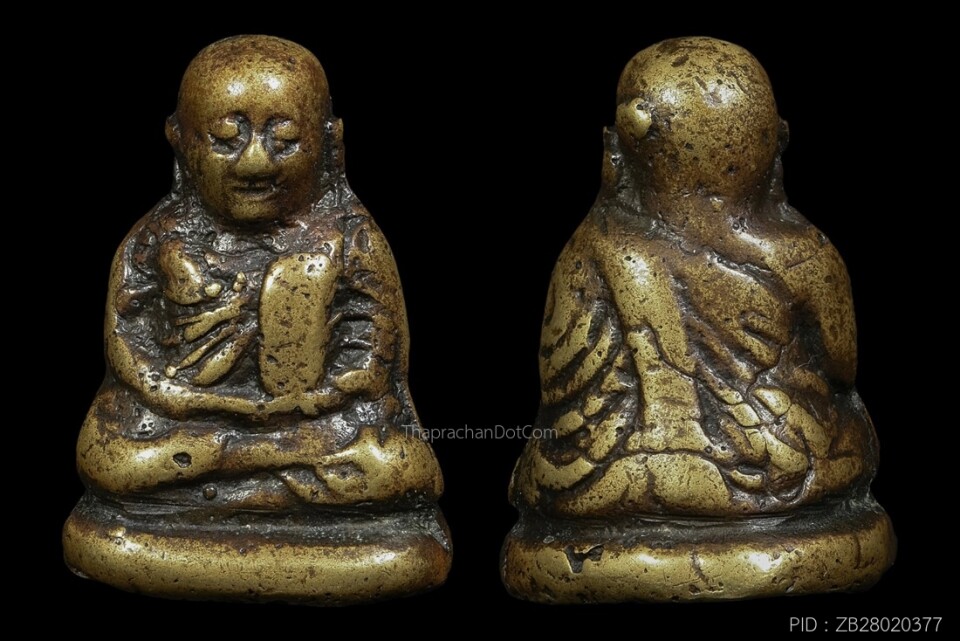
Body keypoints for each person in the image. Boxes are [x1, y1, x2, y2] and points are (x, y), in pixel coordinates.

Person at [65, 35, 449, 603]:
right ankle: (262, 474)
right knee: (108, 458)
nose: (254, 162)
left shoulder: (351, 238)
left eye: (285, 141)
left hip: (317, 423)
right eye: (226, 140)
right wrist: (172, 396)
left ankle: (240, 480)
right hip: (184, 421)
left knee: (396, 467)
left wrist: (326, 397)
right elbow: (125, 341)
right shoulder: (157, 238)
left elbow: (378, 360)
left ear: (330, 143)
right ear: (179, 141)